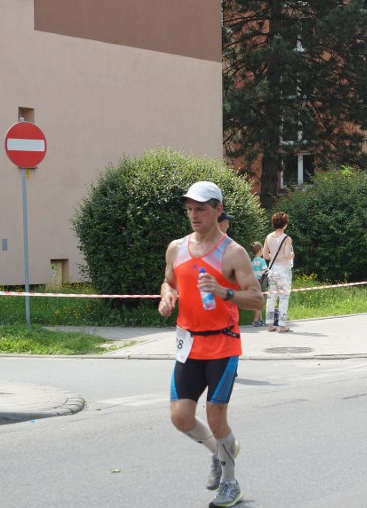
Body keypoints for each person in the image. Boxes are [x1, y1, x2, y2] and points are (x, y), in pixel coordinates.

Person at [158, 181, 263, 508]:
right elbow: (168, 280)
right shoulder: (176, 248)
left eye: (200, 208)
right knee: (180, 417)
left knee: (216, 417)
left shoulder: (233, 252)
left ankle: (231, 484)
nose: (194, 215)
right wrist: (167, 296)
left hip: (222, 344)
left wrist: (224, 292)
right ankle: (219, 453)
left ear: (218, 209)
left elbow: (257, 299)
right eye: (189, 209)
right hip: (188, 343)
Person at [262, 211, 294, 333]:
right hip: (284, 271)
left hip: (272, 270)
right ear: (285, 224)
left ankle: (270, 325)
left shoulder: (268, 237)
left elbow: (265, 255)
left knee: (271, 297)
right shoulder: (287, 238)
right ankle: (282, 325)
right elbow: (287, 255)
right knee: (284, 297)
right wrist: (292, 255)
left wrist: (275, 255)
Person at [250, 242, 267, 327]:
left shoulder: (252, 261)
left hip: (253, 283)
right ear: (260, 250)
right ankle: (256, 320)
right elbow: (265, 271)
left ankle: (260, 320)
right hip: (260, 283)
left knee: (257, 301)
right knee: (261, 302)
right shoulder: (262, 260)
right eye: (263, 248)